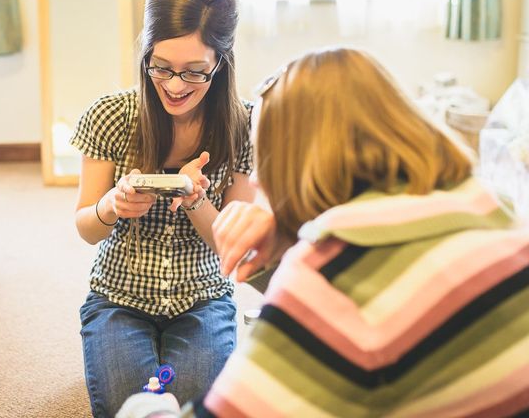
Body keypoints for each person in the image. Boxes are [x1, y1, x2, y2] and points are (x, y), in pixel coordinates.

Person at [117, 47, 529, 417]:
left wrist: (149, 408)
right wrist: (289, 241)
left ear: (294, 164)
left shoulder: (327, 284)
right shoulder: (495, 210)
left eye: (264, 158)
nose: (258, 181)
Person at [69, 0, 255, 418]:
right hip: (119, 299)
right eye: (161, 66)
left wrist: (196, 201)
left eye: (194, 71)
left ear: (221, 63)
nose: (174, 85)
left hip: (202, 300)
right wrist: (112, 205)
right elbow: (86, 228)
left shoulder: (244, 125)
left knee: (190, 407)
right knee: (133, 407)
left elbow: (235, 248)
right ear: (146, 52)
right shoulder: (111, 115)